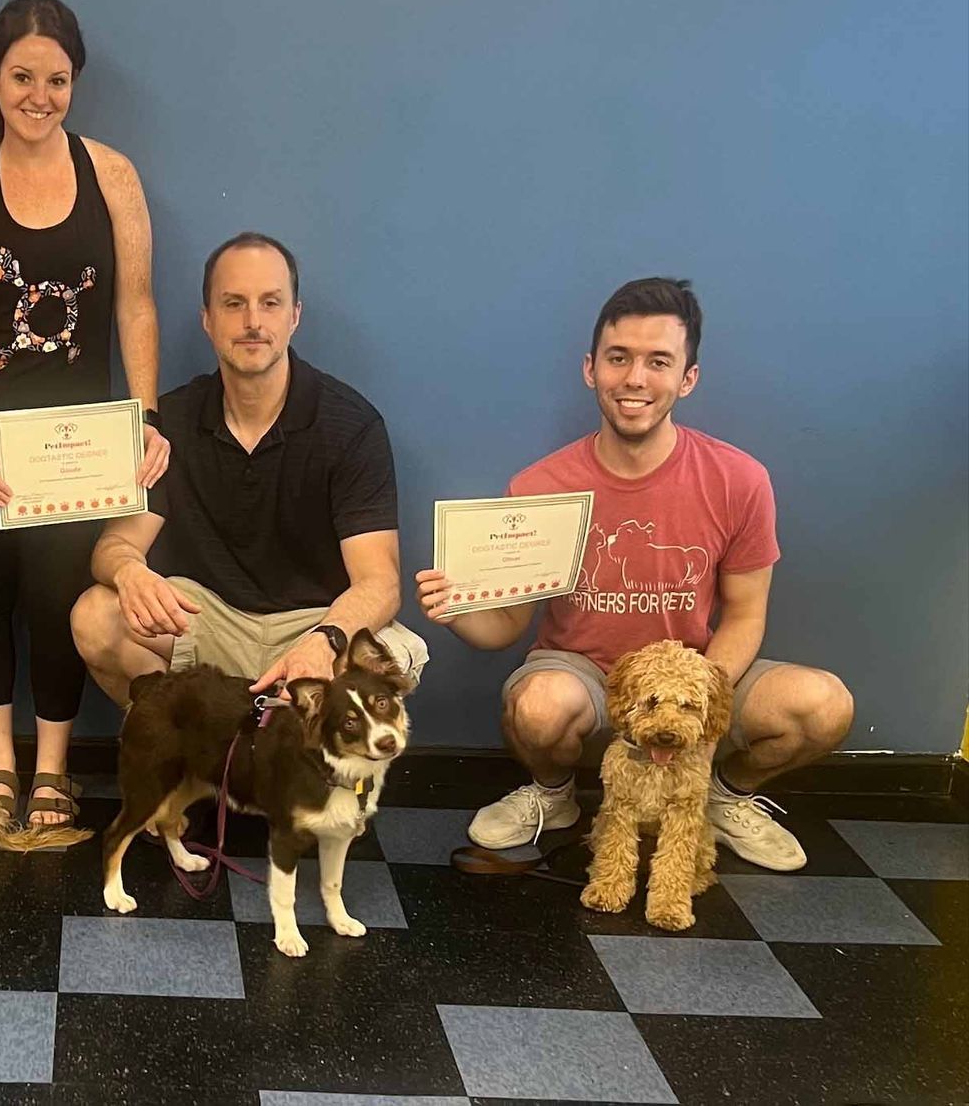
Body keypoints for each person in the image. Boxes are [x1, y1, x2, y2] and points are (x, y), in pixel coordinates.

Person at [416, 277, 853, 871]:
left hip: (692, 674)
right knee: (538, 707)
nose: (636, 379)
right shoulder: (540, 487)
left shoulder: (740, 479)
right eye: (619, 358)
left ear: (687, 378)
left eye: (658, 361)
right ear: (591, 369)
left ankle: (721, 796)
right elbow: (505, 629)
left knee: (823, 705)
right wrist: (455, 609)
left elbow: (747, 615)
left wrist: (687, 704)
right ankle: (554, 796)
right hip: (585, 680)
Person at [0, 0, 170, 829]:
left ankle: (53, 772)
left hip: (80, 442)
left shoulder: (113, 176)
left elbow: (137, 307)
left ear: (75, 84)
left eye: (56, 80)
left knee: (62, 593)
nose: (39, 95)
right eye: (22, 76)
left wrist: (144, 417)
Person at [72, 232, 429, 708]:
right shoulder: (171, 422)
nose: (253, 322)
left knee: (387, 658)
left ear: (294, 316)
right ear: (208, 319)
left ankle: (307, 765)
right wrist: (129, 571)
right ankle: (191, 757)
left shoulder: (350, 425)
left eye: (271, 303)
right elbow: (114, 547)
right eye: (234, 303)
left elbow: (379, 582)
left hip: (315, 624)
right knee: (95, 616)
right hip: (208, 622)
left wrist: (326, 641)